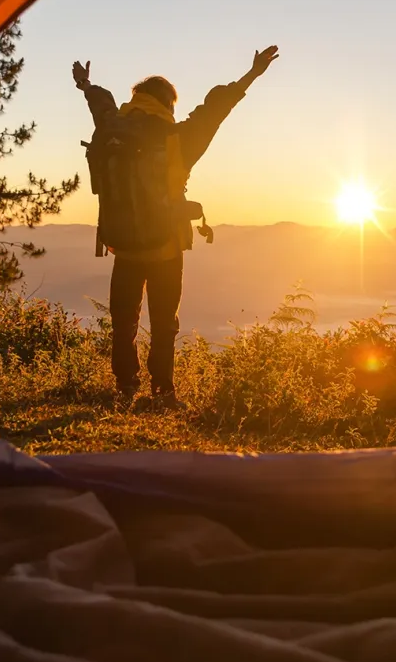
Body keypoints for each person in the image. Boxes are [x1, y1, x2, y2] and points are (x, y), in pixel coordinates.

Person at [72, 46, 280, 405]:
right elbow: (217, 108)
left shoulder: (112, 126)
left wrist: (85, 83)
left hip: (122, 243)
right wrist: (252, 74)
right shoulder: (180, 138)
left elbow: (101, 102)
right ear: (168, 103)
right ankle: (162, 391)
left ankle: (125, 387)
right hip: (165, 246)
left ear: (137, 99)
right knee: (164, 322)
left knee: (124, 320)